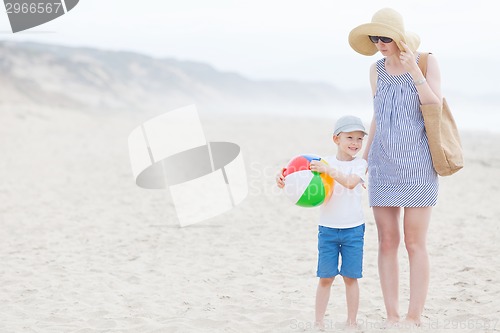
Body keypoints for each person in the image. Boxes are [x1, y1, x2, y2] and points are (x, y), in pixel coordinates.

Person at [348, 8, 442, 326]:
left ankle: (414, 317)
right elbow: (379, 115)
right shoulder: (375, 70)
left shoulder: (427, 61)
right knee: (387, 241)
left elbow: (433, 104)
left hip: (418, 165)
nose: (379, 43)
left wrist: (414, 70)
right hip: (383, 165)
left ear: (399, 37)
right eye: (374, 38)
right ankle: (392, 315)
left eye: (385, 37)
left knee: (415, 242)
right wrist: (363, 159)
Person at [276, 116, 368, 329]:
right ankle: (318, 322)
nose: (355, 143)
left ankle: (352, 322)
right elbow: (298, 179)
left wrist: (329, 171)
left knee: (350, 277)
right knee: (325, 277)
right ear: (336, 139)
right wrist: (282, 179)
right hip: (327, 230)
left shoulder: (360, 164)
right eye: (350, 137)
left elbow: (350, 183)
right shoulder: (324, 161)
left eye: (359, 139)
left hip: (353, 230)